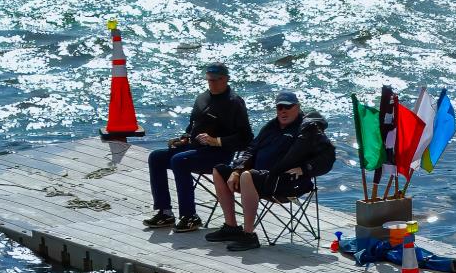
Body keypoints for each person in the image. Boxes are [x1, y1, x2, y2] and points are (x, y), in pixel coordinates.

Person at [209, 91, 335, 245]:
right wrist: (236, 170)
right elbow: (251, 149)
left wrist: (305, 168)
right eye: (280, 107)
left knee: (248, 176)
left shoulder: (308, 128)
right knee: (220, 171)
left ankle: (249, 235)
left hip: (285, 181)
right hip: (260, 178)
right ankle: (231, 227)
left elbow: (328, 157)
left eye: (288, 107)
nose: (283, 111)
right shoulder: (271, 127)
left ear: (297, 107)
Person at [143, 62, 254, 233]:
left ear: (225, 79)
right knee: (156, 157)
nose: (212, 83)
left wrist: (216, 141)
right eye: (209, 80)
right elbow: (193, 127)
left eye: (215, 80)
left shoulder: (234, 102)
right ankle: (165, 212)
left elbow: (246, 138)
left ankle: (189, 216)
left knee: (179, 161)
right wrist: (184, 138)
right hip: (195, 148)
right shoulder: (202, 98)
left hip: (219, 154)